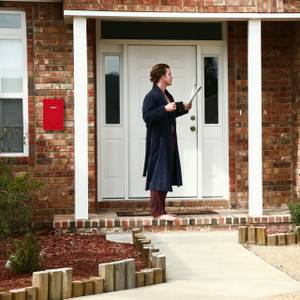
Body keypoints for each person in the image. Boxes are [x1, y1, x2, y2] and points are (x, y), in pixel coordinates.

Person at [142, 63, 192, 221]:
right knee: (158, 175)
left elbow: (169, 113)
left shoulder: (167, 95)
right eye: (169, 74)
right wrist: (164, 109)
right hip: (158, 142)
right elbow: (147, 117)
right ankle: (157, 213)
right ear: (162, 76)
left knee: (165, 175)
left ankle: (162, 211)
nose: (172, 76)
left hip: (168, 141)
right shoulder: (152, 96)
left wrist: (182, 108)